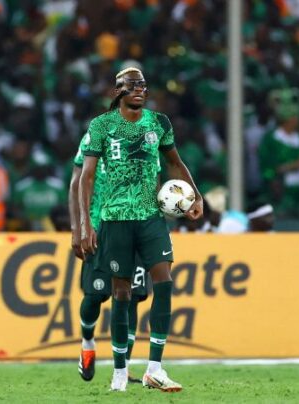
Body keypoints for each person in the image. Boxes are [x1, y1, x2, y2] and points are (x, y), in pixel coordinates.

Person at [79, 67, 203, 392]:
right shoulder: (102, 126)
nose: (140, 90)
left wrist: (196, 195)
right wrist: (83, 224)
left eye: (143, 85)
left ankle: (155, 368)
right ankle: (120, 372)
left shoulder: (158, 123)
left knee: (164, 281)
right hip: (116, 219)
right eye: (132, 85)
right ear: (118, 90)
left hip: (150, 217)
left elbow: (175, 161)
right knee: (121, 294)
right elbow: (86, 177)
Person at [69, 132, 148, 384]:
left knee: (132, 297)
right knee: (95, 295)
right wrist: (78, 226)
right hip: (98, 228)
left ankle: (123, 368)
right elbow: (75, 182)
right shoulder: (95, 135)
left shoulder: (147, 137)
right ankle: (87, 343)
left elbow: (153, 181)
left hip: (135, 225)